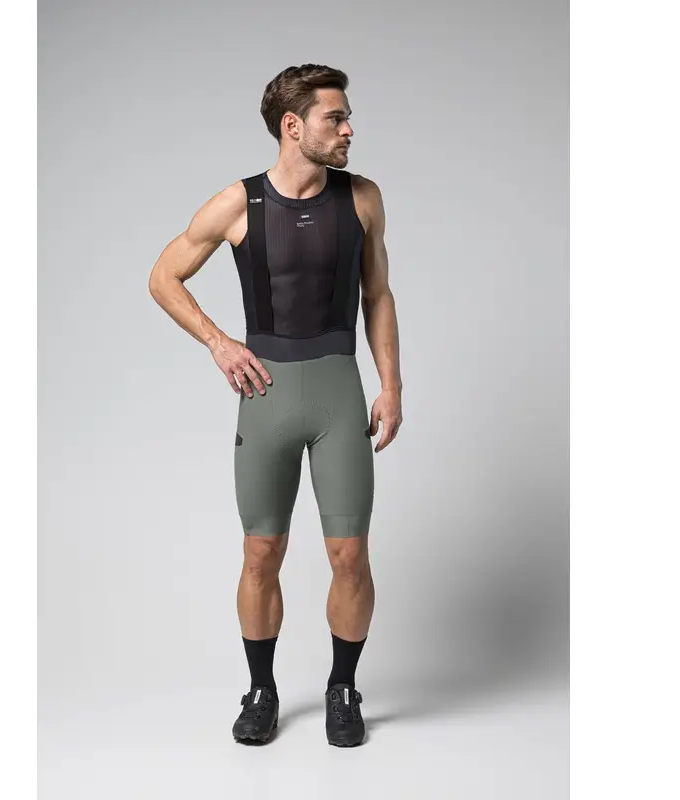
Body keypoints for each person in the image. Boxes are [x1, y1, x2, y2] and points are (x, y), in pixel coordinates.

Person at [148, 64, 403, 747]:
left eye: (347, 118)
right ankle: (261, 690)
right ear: (294, 127)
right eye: (335, 118)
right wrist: (218, 342)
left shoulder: (363, 199)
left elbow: (377, 295)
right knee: (261, 552)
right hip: (265, 398)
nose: (348, 130)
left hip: (338, 395)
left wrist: (392, 384)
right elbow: (163, 276)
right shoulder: (239, 204)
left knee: (350, 555)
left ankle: (343, 688)